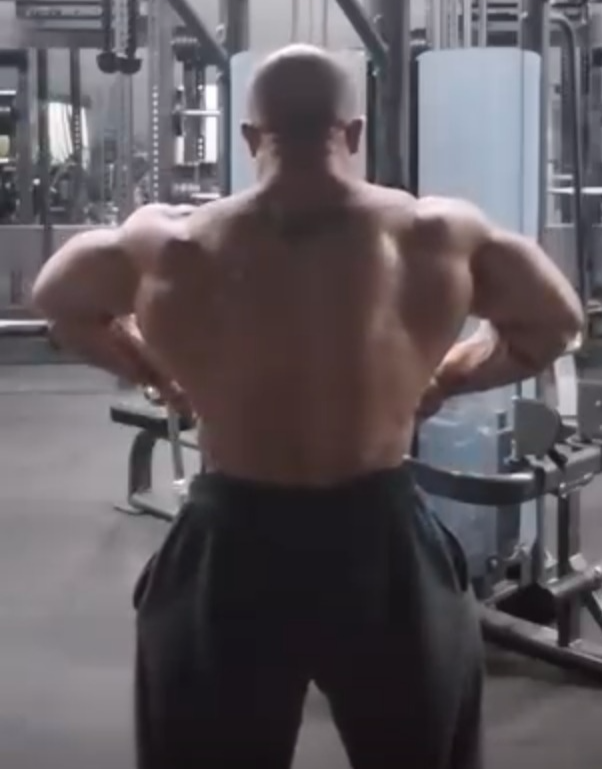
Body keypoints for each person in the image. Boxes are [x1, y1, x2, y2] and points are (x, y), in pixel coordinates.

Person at [31, 44, 583, 769]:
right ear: (354, 132)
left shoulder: (169, 243)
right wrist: (444, 378)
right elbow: (554, 324)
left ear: (248, 137)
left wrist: (156, 374)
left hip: (233, 533)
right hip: (378, 531)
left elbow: (59, 301)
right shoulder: (437, 233)